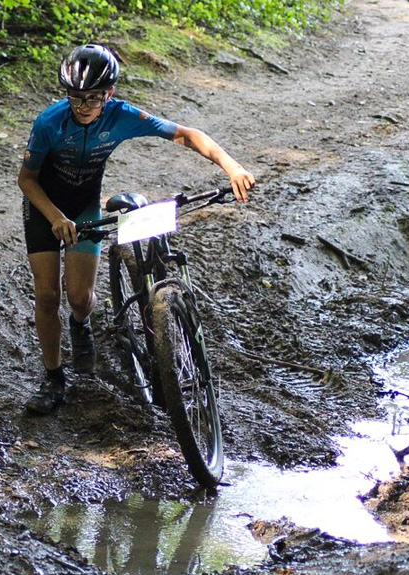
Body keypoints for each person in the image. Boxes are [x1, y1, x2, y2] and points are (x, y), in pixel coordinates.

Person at [18, 43, 255, 415]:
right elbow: (27, 180)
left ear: (109, 93)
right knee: (47, 295)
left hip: (83, 207)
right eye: (75, 97)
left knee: (80, 298)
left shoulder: (120, 115)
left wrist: (232, 166)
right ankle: (53, 378)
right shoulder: (49, 122)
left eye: (92, 98)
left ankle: (80, 323)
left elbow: (186, 134)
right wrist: (54, 217)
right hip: (45, 207)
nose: (82, 107)